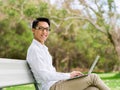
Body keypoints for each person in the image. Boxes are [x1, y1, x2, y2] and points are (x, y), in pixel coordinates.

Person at [26, 17, 110, 90]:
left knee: (93, 89)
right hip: (51, 87)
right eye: (41, 28)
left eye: (47, 29)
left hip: (56, 84)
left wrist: (70, 77)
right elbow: (44, 76)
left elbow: (50, 73)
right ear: (33, 30)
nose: (44, 32)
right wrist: (69, 75)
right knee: (93, 77)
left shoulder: (42, 49)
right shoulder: (35, 50)